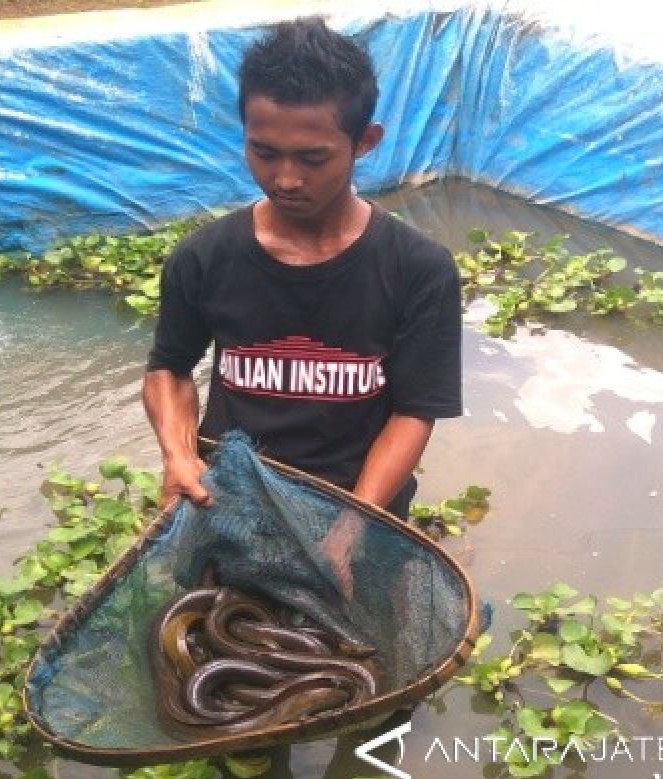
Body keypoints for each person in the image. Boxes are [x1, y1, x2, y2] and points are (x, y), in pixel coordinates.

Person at [142, 16, 462, 521]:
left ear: (365, 142)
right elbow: (169, 369)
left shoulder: (418, 269)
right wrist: (178, 455)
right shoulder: (204, 257)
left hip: (361, 504)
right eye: (264, 153)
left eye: (313, 159)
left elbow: (413, 411)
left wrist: (355, 525)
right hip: (231, 500)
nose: (285, 179)